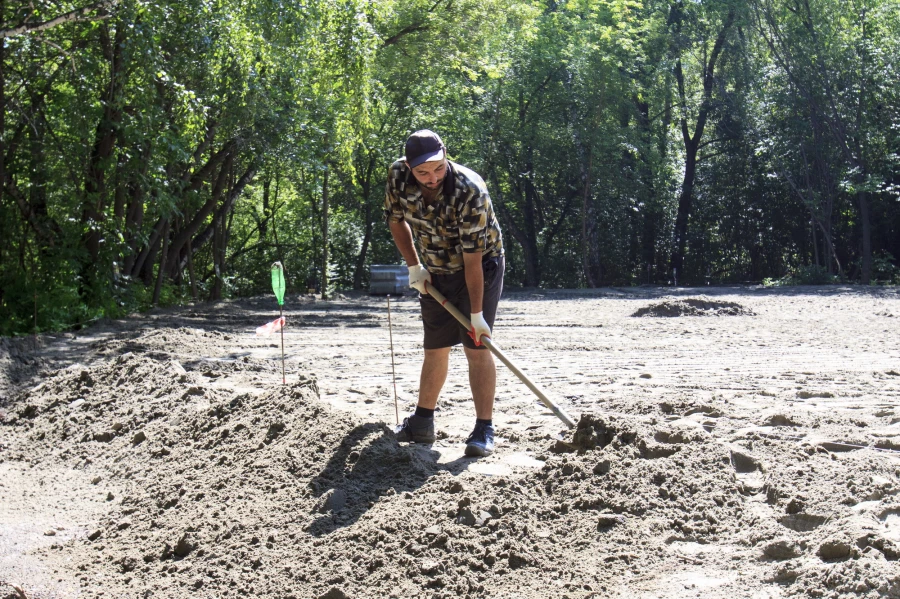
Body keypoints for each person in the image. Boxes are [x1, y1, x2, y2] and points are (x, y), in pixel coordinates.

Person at [384, 129, 505, 457]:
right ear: (409, 167)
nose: (432, 177)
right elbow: (396, 221)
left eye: (438, 168)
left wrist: (477, 316)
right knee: (435, 346)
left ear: (446, 155)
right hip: (434, 270)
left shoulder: (470, 190)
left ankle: (484, 428)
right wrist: (414, 266)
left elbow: (473, 261)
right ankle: (422, 423)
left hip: (480, 267)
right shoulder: (398, 176)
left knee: (476, 347)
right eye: (423, 172)